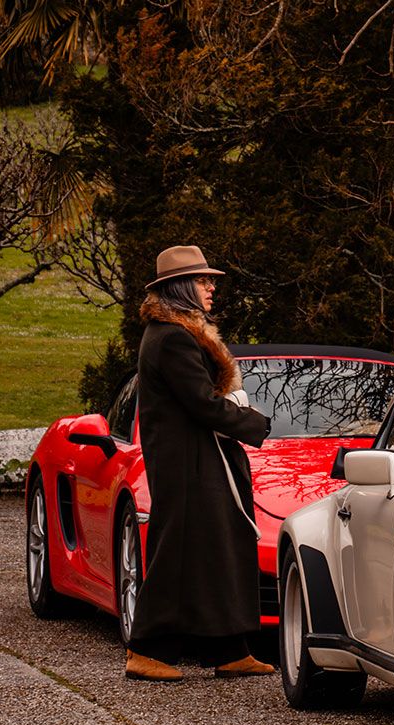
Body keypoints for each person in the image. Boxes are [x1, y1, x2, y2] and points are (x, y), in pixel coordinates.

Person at [127, 245, 275, 681]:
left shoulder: (175, 334)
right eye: (203, 280)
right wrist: (254, 423)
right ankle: (146, 650)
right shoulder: (172, 338)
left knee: (213, 552)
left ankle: (228, 649)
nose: (211, 288)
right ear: (181, 287)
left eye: (210, 280)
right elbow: (202, 404)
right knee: (178, 555)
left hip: (198, 461)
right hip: (188, 466)